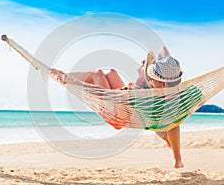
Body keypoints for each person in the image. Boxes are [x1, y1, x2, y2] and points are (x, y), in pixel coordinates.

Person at [50, 46, 184, 168]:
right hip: (125, 100)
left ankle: (62, 74)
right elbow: (164, 52)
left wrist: (73, 82)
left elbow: (104, 94)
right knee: (111, 73)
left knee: (97, 73)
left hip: (115, 110)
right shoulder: (165, 90)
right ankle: (174, 152)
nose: (143, 62)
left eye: (148, 65)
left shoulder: (144, 91)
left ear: (154, 78)